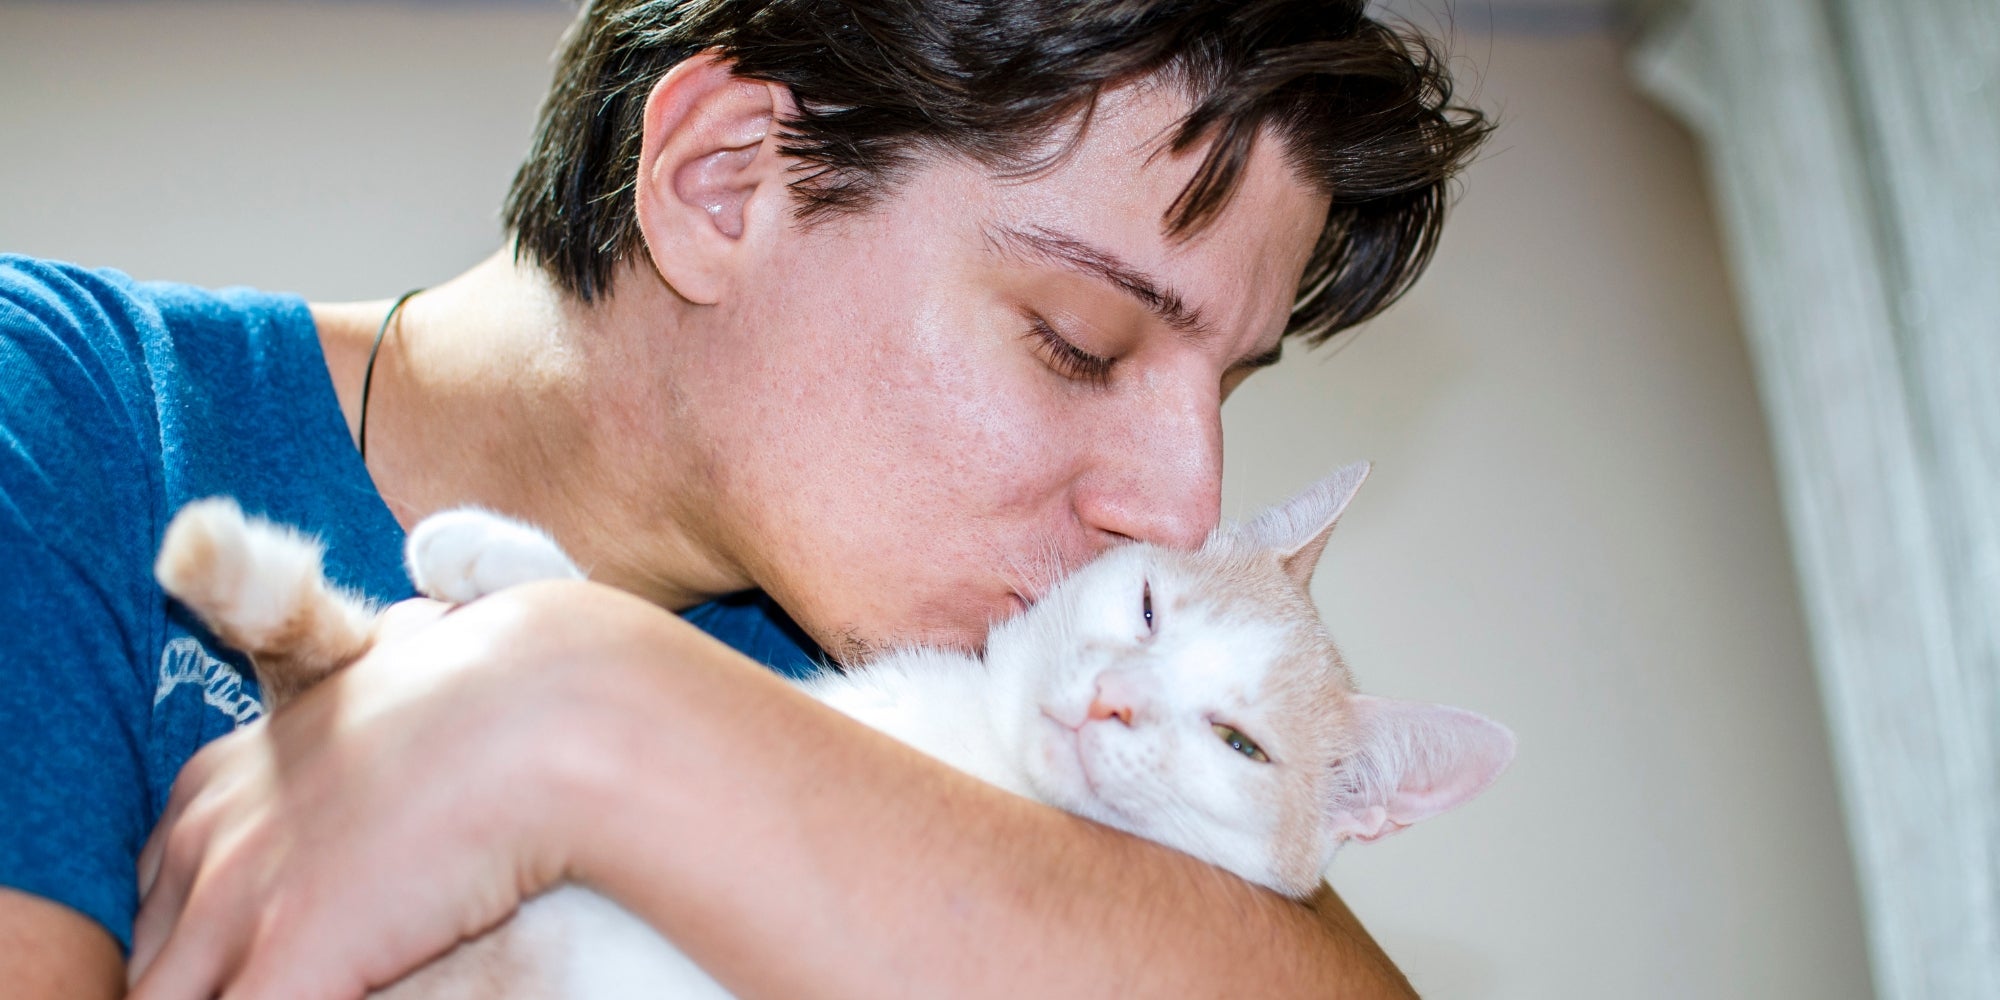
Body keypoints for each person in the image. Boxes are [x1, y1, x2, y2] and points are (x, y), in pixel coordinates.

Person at [0, 0, 1487, 996]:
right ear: (725, 183)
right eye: (1078, 342)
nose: (1181, 504)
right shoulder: (66, 414)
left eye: (1224, 390)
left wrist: (589, 712)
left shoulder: (999, 667)